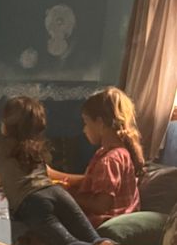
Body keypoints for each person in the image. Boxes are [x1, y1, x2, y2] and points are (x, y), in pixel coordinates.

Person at [0, 96, 159, 245]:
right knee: (90, 235)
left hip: (33, 202)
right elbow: (44, 174)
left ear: (6, 123)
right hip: (57, 192)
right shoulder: (36, 147)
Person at [47, 87, 142, 227]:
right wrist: (56, 177)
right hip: (116, 218)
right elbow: (92, 181)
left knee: (50, 218)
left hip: (105, 221)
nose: (84, 130)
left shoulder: (109, 160)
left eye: (86, 123)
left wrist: (66, 194)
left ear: (100, 123)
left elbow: (101, 205)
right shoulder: (117, 153)